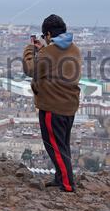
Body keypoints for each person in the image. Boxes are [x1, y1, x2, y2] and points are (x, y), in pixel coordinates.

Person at [22, 14, 82, 192]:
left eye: (43, 35)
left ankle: (67, 183)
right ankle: (60, 177)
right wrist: (43, 50)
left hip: (52, 106)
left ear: (48, 34)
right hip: (69, 105)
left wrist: (29, 50)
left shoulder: (47, 52)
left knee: (54, 146)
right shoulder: (74, 49)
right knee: (62, 145)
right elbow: (54, 63)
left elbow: (31, 70)